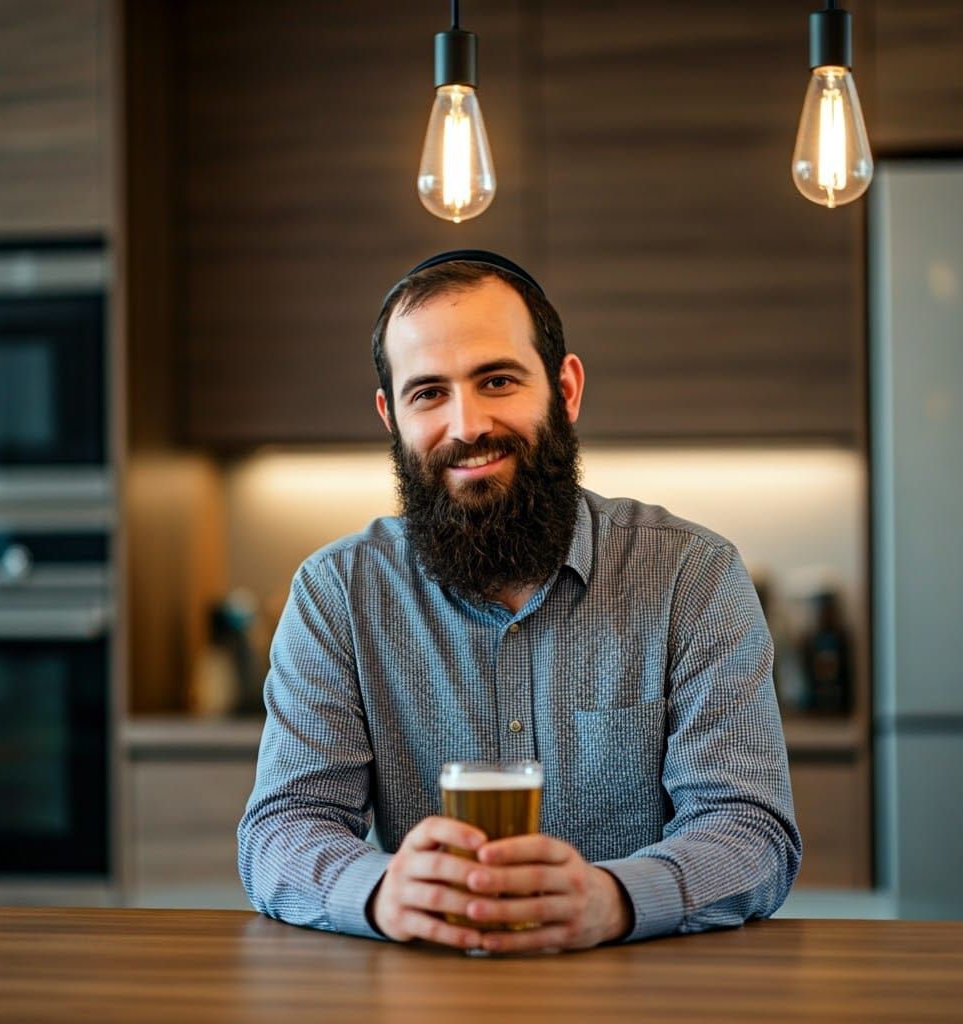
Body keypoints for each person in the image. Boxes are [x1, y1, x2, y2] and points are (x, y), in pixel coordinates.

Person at [237, 250, 802, 954]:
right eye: (429, 393)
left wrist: (615, 900)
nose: (467, 424)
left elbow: (751, 831)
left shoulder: (694, 574)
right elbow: (283, 829)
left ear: (565, 389)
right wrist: (381, 892)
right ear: (392, 417)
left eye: (497, 379)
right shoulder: (336, 595)